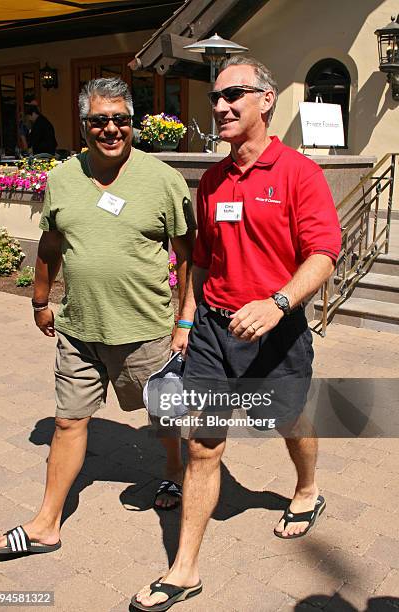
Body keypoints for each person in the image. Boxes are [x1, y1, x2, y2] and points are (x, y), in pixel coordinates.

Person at [132, 56, 341, 611]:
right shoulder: (214, 180)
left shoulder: (299, 172)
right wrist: (185, 320)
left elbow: (324, 254)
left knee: (287, 419)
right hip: (212, 332)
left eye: (234, 95)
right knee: (203, 445)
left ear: (267, 100)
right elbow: (202, 261)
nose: (220, 107)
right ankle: (184, 570)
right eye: (216, 99)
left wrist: (278, 303)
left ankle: (306, 489)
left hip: (277, 331)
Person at [0, 77, 196, 556]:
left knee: (161, 413)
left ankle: (173, 472)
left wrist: (184, 320)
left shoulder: (163, 179)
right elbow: (50, 243)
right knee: (67, 421)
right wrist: (41, 300)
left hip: (145, 328)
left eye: (120, 119)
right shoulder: (63, 177)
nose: (111, 129)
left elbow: (186, 254)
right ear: (84, 125)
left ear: (132, 123)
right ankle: (46, 522)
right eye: (99, 120)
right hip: (79, 326)